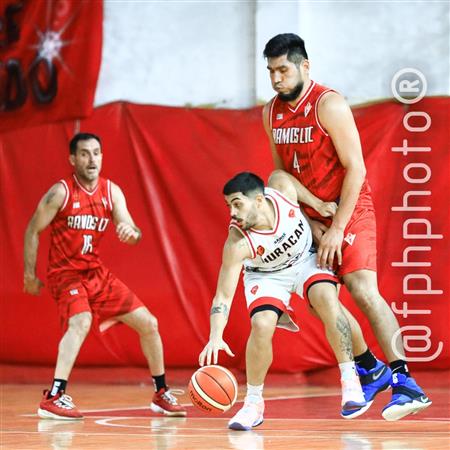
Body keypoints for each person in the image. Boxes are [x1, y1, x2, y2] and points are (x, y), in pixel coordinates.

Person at [262, 33, 431, 421]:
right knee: (321, 298)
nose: (276, 79)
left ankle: (406, 381)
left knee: (361, 288)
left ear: (305, 66)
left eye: (283, 70)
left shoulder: (329, 104)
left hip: (348, 208)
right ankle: (370, 366)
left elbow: (356, 168)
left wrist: (337, 227)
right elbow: (283, 177)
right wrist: (308, 224)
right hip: (311, 215)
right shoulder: (270, 113)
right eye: (270, 71)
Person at [23, 133, 186, 420]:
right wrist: (29, 274)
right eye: (84, 154)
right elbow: (32, 230)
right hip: (66, 274)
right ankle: (54, 396)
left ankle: (161, 393)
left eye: (97, 153)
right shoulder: (60, 193)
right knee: (81, 321)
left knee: (149, 323)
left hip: (95, 273)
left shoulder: (112, 192)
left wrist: (130, 233)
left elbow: (133, 231)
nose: (92, 159)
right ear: (72, 159)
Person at [199, 171, 370, 431]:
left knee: (326, 298)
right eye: (228, 206)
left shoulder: (282, 191)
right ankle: (253, 404)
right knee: (262, 324)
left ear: (259, 200)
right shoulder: (237, 242)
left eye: (237, 204)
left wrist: (316, 204)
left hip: (304, 260)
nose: (232, 213)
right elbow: (223, 294)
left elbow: (281, 174)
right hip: (267, 276)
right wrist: (215, 334)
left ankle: (350, 380)